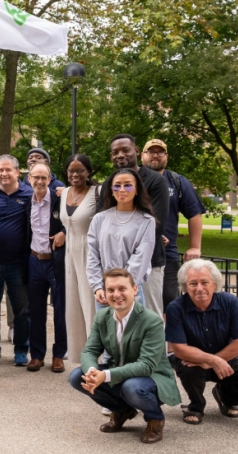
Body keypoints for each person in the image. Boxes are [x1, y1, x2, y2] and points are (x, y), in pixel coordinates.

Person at [70, 268, 180, 444]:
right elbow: (90, 350)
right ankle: (122, 410)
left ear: (134, 289)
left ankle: (155, 418)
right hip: (121, 373)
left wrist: (104, 375)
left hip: (152, 378)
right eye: (111, 290)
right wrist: (92, 371)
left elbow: (146, 365)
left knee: (132, 386)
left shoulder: (152, 321)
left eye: (122, 288)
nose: (116, 294)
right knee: (78, 376)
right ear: (105, 293)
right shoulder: (102, 317)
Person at [165, 260, 238, 425]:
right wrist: (211, 360)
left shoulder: (230, 302)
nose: (199, 288)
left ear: (214, 284)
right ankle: (196, 406)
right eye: (193, 283)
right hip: (192, 359)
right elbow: (178, 349)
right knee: (187, 367)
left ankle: (225, 397)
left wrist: (215, 360)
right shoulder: (176, 308)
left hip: (225, 354)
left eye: (204, 282)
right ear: (185, 286)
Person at [97, 134, 169, 317]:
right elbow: (100, 223)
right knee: (115, 324)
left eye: (125, 150)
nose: (120, 155)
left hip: (148, 264)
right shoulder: (108, 183)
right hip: (113, 266)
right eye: (115, 152)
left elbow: (156, 224)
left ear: (136, 151)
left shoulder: (155, 181)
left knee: (150, 318)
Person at [141, 139, 205, 308]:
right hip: (133, 251)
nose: (155, 155)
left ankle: (166, 335)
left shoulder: (177, 181)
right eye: (151, 152)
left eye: (160, 152)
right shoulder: (132, 180)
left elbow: (195, 213)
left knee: (168, 302)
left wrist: (194, 247)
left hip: (166, 253)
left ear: (166, 157)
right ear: (142, 156)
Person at [0, 155, 33, 365]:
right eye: (0, 170)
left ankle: (21, 350)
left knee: (22, 309)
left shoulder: (29, 194)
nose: (4, 174)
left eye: (8, 170)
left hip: (18, 263)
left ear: (17, 172)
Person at [87, 168, 156, 308]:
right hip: (105, 292)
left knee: (132, 330)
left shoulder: (147, 221)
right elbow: (92, 255)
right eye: (117, 185)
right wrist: (98, 287)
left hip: (131, 291)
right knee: (106, 330)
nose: (122, 189)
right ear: (111, 190)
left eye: (128, 185)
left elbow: (141, 258)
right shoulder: (99, 219)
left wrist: (123, 287)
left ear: (137, 189)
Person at [25, 162, 67, 373]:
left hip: (55, 262)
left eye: (44, 177)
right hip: (34, 261)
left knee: (60, 309)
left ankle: (59, 355)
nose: (40, 181)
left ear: (50, 180)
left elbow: (77, 220)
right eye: (36, 177)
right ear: (29, 179)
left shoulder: (61, 200)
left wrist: (65, 233)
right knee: (36, 310)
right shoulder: (26, 202)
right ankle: (37, 355)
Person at [59, 154, 100, 364]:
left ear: (88, 172)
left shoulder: (98, 193)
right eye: (71, 170)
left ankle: (98, 358)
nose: (75, 174)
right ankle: (80, 358)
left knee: (90, 305)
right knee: (73, 307)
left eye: (80, 170)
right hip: (69, 254)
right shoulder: (64, 192)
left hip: (90, 252)